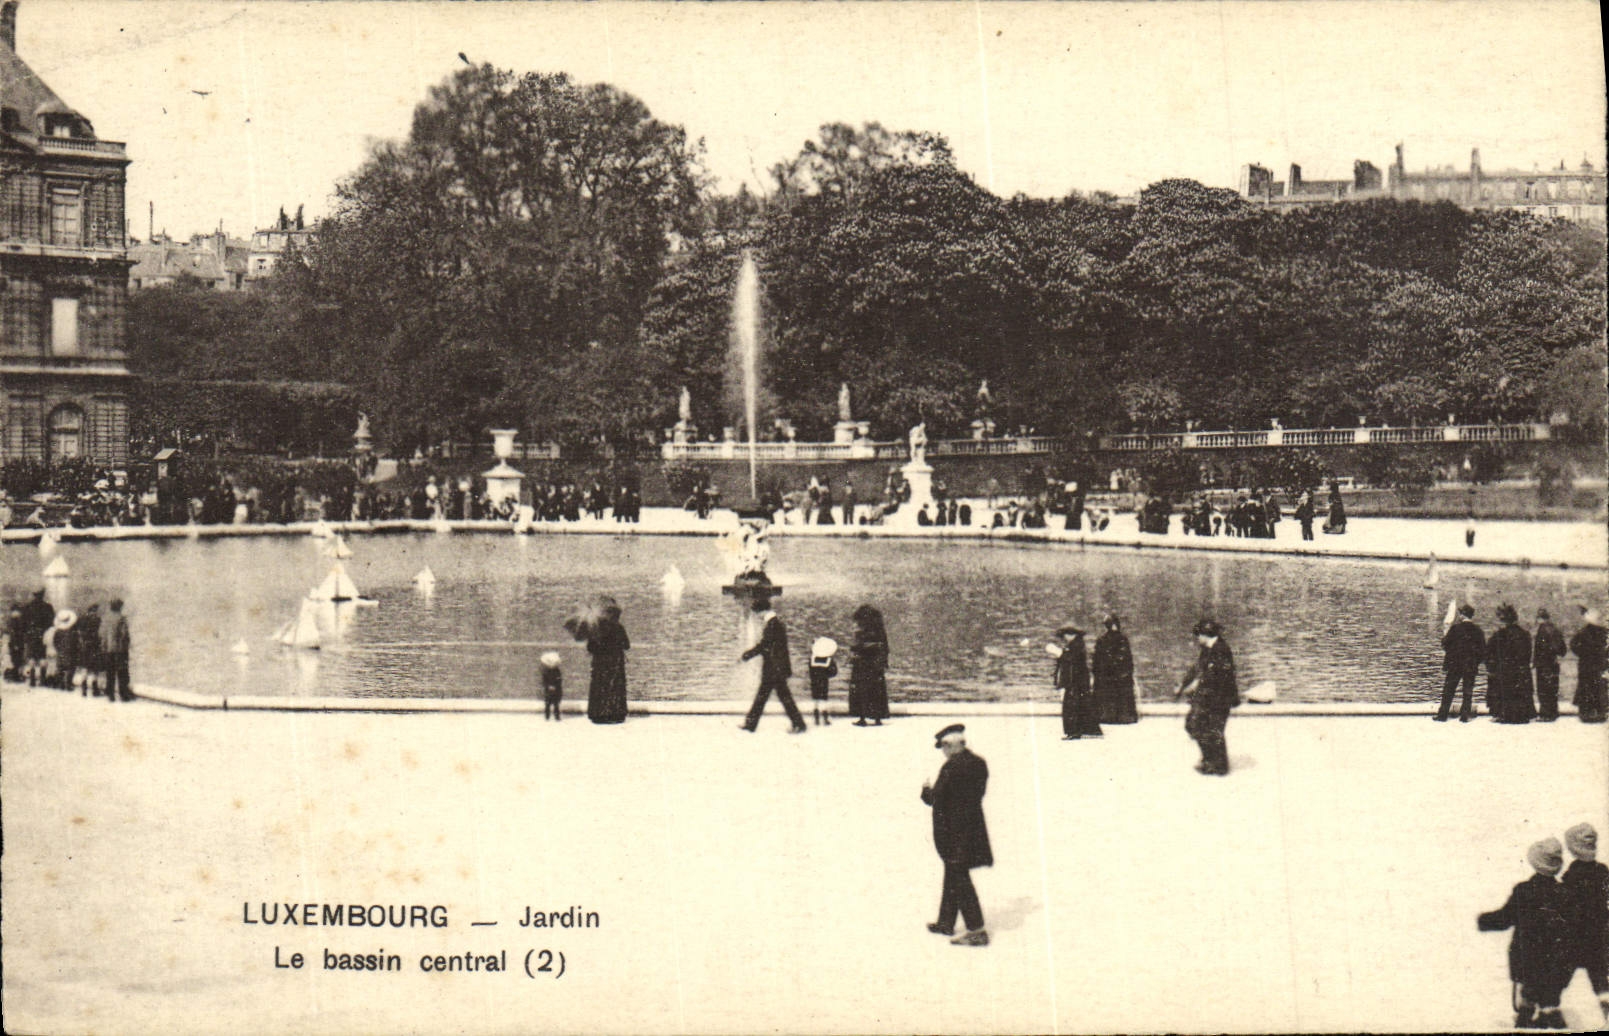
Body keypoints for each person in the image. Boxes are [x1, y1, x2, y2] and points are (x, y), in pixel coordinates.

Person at [1478, 837, 1575, 1031]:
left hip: (1527, 961)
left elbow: (1505, 919)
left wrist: (1482, 921)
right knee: (1550, 1000)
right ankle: (1550, 1015)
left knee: (1528, 999)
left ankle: (1528, 1018)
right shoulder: (1565, 893)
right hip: (1556, 963)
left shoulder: (1524, 891)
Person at [921, 723, 991, 946]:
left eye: (943, 746)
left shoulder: (951, 768)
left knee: (959, 878)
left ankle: (977, 930)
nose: (943, 751)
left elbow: (935, 799)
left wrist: (925, 790)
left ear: (951, 746)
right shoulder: (979, 763)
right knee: (953, 874)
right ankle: (946, 922)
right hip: (972, 829)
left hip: (952, 831)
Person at [1176, 619, 1238, 775]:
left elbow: (1217, 676)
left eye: (1198, 636)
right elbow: (1196, 668)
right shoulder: (1207, 648)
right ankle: (1208, 758)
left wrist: (1196, 685)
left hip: (1220, 697)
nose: (1197, 639)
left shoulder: (1222, 649)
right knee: (1194, 725)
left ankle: (1218, 765)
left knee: (1214, 730)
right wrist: (1183, 685)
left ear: (1205, 635)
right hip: (1208, 696)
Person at [1561, 823, 1609, 1023]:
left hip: (1575, 936)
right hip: (1600, 935)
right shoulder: (1603, 871)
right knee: (1600, 980)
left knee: (1559, 976)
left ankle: (1535, 1009)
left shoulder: (1572, 873)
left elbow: (1565, 905)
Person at [739, 597, 806, 733]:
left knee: (766, 697)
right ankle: (798, 723)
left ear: (762, 612)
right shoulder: (775, 624)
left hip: (774, 669)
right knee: (776, 697)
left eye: (757, 614)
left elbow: (764, 646)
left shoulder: (772, 625)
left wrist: (747, 655)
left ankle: (751, 725)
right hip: (777, 668)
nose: (757, 617)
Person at [1486, 603, 1535, 724]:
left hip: (1505, 670)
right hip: (1520, 669)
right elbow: (1528, 653)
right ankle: (1522, 715)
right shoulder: (1524, 634)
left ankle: (1504, 715)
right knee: (1520, 692)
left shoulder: (1499, 635)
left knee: (1503, 691)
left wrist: (1491, 666)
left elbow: (1489, 652)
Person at [1437, 604, 1485, 722]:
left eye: (1460, 613)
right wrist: (1475, 662)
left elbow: (1445, 645)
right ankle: (1465, 715)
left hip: (1455, 664)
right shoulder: (1478, 630)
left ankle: (1442, 715)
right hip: (1470, 665)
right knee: (1468, 691)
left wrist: (1445, 634)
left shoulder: (1455, 629)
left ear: (1463, 615)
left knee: (1448, 690)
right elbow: (1483, 650)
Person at [584, 601, 630, 724]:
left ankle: (598, 714)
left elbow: (590, 647)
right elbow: (627, 645)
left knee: (599, 686)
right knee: (615, 687)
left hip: (600, 663)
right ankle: (616, 713)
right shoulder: (619, 627)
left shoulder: (595, 628)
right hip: (615, 662)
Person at [1054, 624, 1101, 740]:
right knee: (1081, 705)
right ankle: (1086, 730)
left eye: (1066, 635)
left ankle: (1074, 731)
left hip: (1075, 682)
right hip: (1078, 681)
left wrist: (1059, 653)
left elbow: (1070, 659)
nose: (1064, 638)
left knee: (1072, 707)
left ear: (1071, 635)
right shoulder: (1077, 645)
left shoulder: (1076, 646)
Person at [848, 604, 890, 726]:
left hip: (862, 664)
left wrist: (854, 649)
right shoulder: (879, 629)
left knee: (861, 691)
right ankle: (877, 717)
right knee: (877, 690)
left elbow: (858, 646)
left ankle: (862, 717)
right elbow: (885, 647)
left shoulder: (861, 630)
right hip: (876, 664)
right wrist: (883, 661)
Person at [1092, 614, 1138, 724]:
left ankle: (1109, 716)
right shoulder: (1119, 639)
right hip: (1115, 674)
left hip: (1110, 674)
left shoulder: (1105, 640)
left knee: (1111, 694)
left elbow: (1097, 660)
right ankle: (1119, 716)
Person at [1570, 608, 1607, 724]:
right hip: (1599, 665)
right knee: (1599, 689)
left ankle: (1586, 714)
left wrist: (1583, 654)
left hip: (1586, 665)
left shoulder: (1582, 633)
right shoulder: (1604, 632)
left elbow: (1574, 645)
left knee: (1586, 688)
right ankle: (1600, 713)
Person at [1532, 609, 1566, 723]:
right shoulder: (1556, 629)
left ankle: (1546, 714)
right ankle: (1553, 712)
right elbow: (1563, 650)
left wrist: (1535, 662)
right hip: (1554, 663)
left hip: (1544, 664)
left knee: (1543, 690)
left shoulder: (1542, 630)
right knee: (1553, 688)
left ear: (1539, 618)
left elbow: (1540, 649)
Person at [21, 589, 55, 687]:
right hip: (43, 635)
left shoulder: (27, 607)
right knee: (42, 657)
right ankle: (43, 679)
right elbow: (51, 623)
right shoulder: (48, 607)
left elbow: (23, 623)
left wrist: (27, 634)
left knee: (32, 657)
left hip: (31, 635)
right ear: (42, 596)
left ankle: (32, 679)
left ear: (34, 596)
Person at [100, 597, 132, 703]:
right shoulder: (122, 618)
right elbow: (124, 634)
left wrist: (104, 647)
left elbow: (102, 634)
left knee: (110, 672)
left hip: (108, 649)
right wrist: (127, 645)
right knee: (122, 672)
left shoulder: (105, 618)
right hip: (120, 649)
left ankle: (110, 694)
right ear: (120, 607)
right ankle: (123, 694)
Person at [807, 636, 838, 727]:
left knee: (815, 699)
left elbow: (810, 671)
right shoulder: (828, 660)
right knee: (824, 699)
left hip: (814, 681)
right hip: (824, 681)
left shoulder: (812, 659)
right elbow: (833, 672)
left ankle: (816, 718)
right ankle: (825, 718)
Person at [540, 651, 563, 721]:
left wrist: (553, 686)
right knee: (549, 704)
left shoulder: (555, 671)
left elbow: (559, 680)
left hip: (554, 689)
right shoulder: (550, 671)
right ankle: (549, 716)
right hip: (551, 689)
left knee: (554, 704)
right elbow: (544, 681)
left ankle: (554, 716)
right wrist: (549, 686)